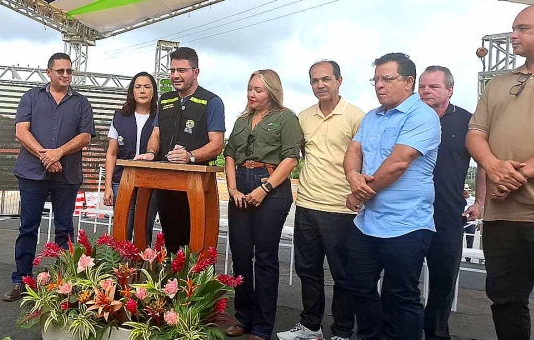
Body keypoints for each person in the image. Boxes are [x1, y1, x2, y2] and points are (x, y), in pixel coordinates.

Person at [466, 4, 534, 339]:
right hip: (501, 217)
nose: (513, 35)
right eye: (514, 29)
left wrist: (518, 175)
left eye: (523, 28)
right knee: (505, 302)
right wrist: (494, 166)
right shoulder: (498, 83)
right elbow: (475, 133)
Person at [343, 52, 441, 340]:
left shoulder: (423, 116)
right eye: (376, 80)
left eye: (387, 79)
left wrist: (361, 193)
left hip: (407, 223)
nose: (379, 86)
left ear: (409, 82)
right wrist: (353, 177)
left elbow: (399, 162)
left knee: (402, 295)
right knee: (359, 287)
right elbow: (353, 151)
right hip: (368, 222)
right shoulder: (372, 117)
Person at [276, 60, 364, 340]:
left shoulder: (356, 116)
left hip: (341, 208)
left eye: (326, 79)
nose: (320, 85)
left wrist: (357, 192)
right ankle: (310, 327)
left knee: (342, 276)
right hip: (307, 205)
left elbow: (367, 160)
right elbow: (292, 155)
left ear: (340, 80)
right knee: (307, 271)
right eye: (315, 81)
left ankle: (341, 331)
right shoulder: (303, 117)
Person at [3, 52, 95, 302]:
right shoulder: (31, 97)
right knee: (27, 228)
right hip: (32, 174)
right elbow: (21, 132)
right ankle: (22, 280)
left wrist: (58, 153)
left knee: (64, 230)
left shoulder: (82, 102)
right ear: (49, 72)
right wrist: (46, 156)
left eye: (69, 71)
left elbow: (86, 136)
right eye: (60, 71)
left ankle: (66, 283)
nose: (66, 75)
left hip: (67, 176)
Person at [223, 69, 303, 340]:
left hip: (271, 187)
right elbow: (230, 154)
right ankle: (244, 318)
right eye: (249, 88)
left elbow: (291, 158)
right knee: (241, 255)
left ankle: (262, 326)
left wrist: (265, 188)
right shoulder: (242, 120)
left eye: (258, 89)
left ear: (272, 91)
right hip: (240, 186)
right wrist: (233, 189)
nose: (251, 94)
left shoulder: (286, 118)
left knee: (265, 258)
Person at [417, 66, 486, 340]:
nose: (426, 91)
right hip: (408, 214)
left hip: (447, 216)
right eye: (422, 86)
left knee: (443, 283)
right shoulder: (408, 117)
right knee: (401, 281)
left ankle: (435, 334)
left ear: (450, 90)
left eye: (434, 87)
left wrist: (479, 202)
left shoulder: (467, 122)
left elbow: (484, 163)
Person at [135, 47, 225, 253]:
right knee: (172, 241)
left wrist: (190, 156)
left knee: (194, 244)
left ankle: (194, 283)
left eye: (182, 70)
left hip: (196, 184)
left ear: (196, 72)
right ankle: (171, 283)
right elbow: (156, 134)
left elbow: (217, 144)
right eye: (173, 70)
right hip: (166, 182)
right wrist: (150, 152)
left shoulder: (212, 102)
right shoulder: (165, 99)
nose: (176, 75)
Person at [103, 71, 159, 247]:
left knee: (143, 230)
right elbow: (111, 154)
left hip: (150, 182)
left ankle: (142, 272)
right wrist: (107, 187)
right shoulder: (119, 117)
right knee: (121, 231)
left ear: (153, 92)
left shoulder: (161, 117)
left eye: (147, 87)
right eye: (138, 87)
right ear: (132, 91)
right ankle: (119, 271)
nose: (142, 91)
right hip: (122, 181)